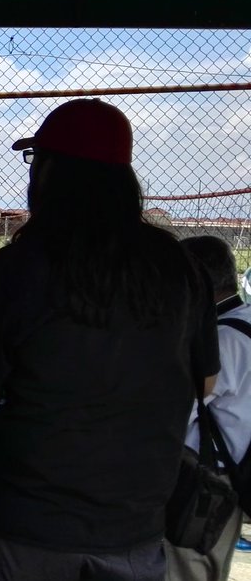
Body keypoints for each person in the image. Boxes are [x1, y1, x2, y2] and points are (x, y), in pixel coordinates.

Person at [0, 99, 219, 581]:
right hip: (136, 524)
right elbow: (204, 384)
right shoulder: (181, 269)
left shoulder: (9, 271)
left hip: (20, 527)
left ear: (48, 175)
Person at [166, 235, 251, 581]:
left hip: (204, 484)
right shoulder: (245, 321)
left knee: (184, 571)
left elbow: (173, 413)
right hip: (233, 478)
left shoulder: (221, 340)